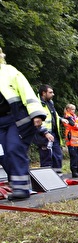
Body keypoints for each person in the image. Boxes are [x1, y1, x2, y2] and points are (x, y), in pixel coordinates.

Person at [0, 47, 50, 200]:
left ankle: (22, 190)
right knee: (3, 155)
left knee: (14, 147)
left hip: (16, 119)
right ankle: (16, 184)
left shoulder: (9, 71)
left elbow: (27, 92)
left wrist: (36, 114)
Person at [37, 84, 65, 173]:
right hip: (43, 134)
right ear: (43, 93)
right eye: (50, 92)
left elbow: (54, 115)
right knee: (46, 157)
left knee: (57, 155)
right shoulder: (37, 104)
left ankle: (58, 177)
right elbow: (37, 121)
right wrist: (45, 132)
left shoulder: (50, 102)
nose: (53, 94)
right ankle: (47, 179)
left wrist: (61, 119)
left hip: (54, 133)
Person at [63, 104, 78, 178]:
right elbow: (74, 125)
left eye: (74, 109)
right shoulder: (67, 116)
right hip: (71, 138)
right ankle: (74, 172)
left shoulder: (74, 116)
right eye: (72, 109)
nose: (74, 111)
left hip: (77, 138)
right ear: (68, 109)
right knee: (74, 156)